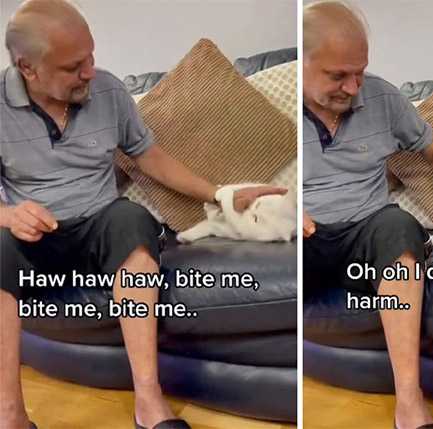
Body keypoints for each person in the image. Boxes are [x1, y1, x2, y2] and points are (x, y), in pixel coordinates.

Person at [0, 1, 286, 429]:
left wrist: (220, 193)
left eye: (91, 57)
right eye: (74, 66)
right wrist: (9, 216)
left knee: (130, 218)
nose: (90, 72)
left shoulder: (108, 91)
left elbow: (149, 156)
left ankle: (149, 402)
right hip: (33, 238)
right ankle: (11, 415)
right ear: (28, 68)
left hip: (100, 225)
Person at [302, 2, 433, 429]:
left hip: (368, 233)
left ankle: (409, 406)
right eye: (338, 75)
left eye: (360, 72)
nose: (353, 87)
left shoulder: (383, 98)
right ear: (304, 62)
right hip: (305, 236)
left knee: (398, 224)